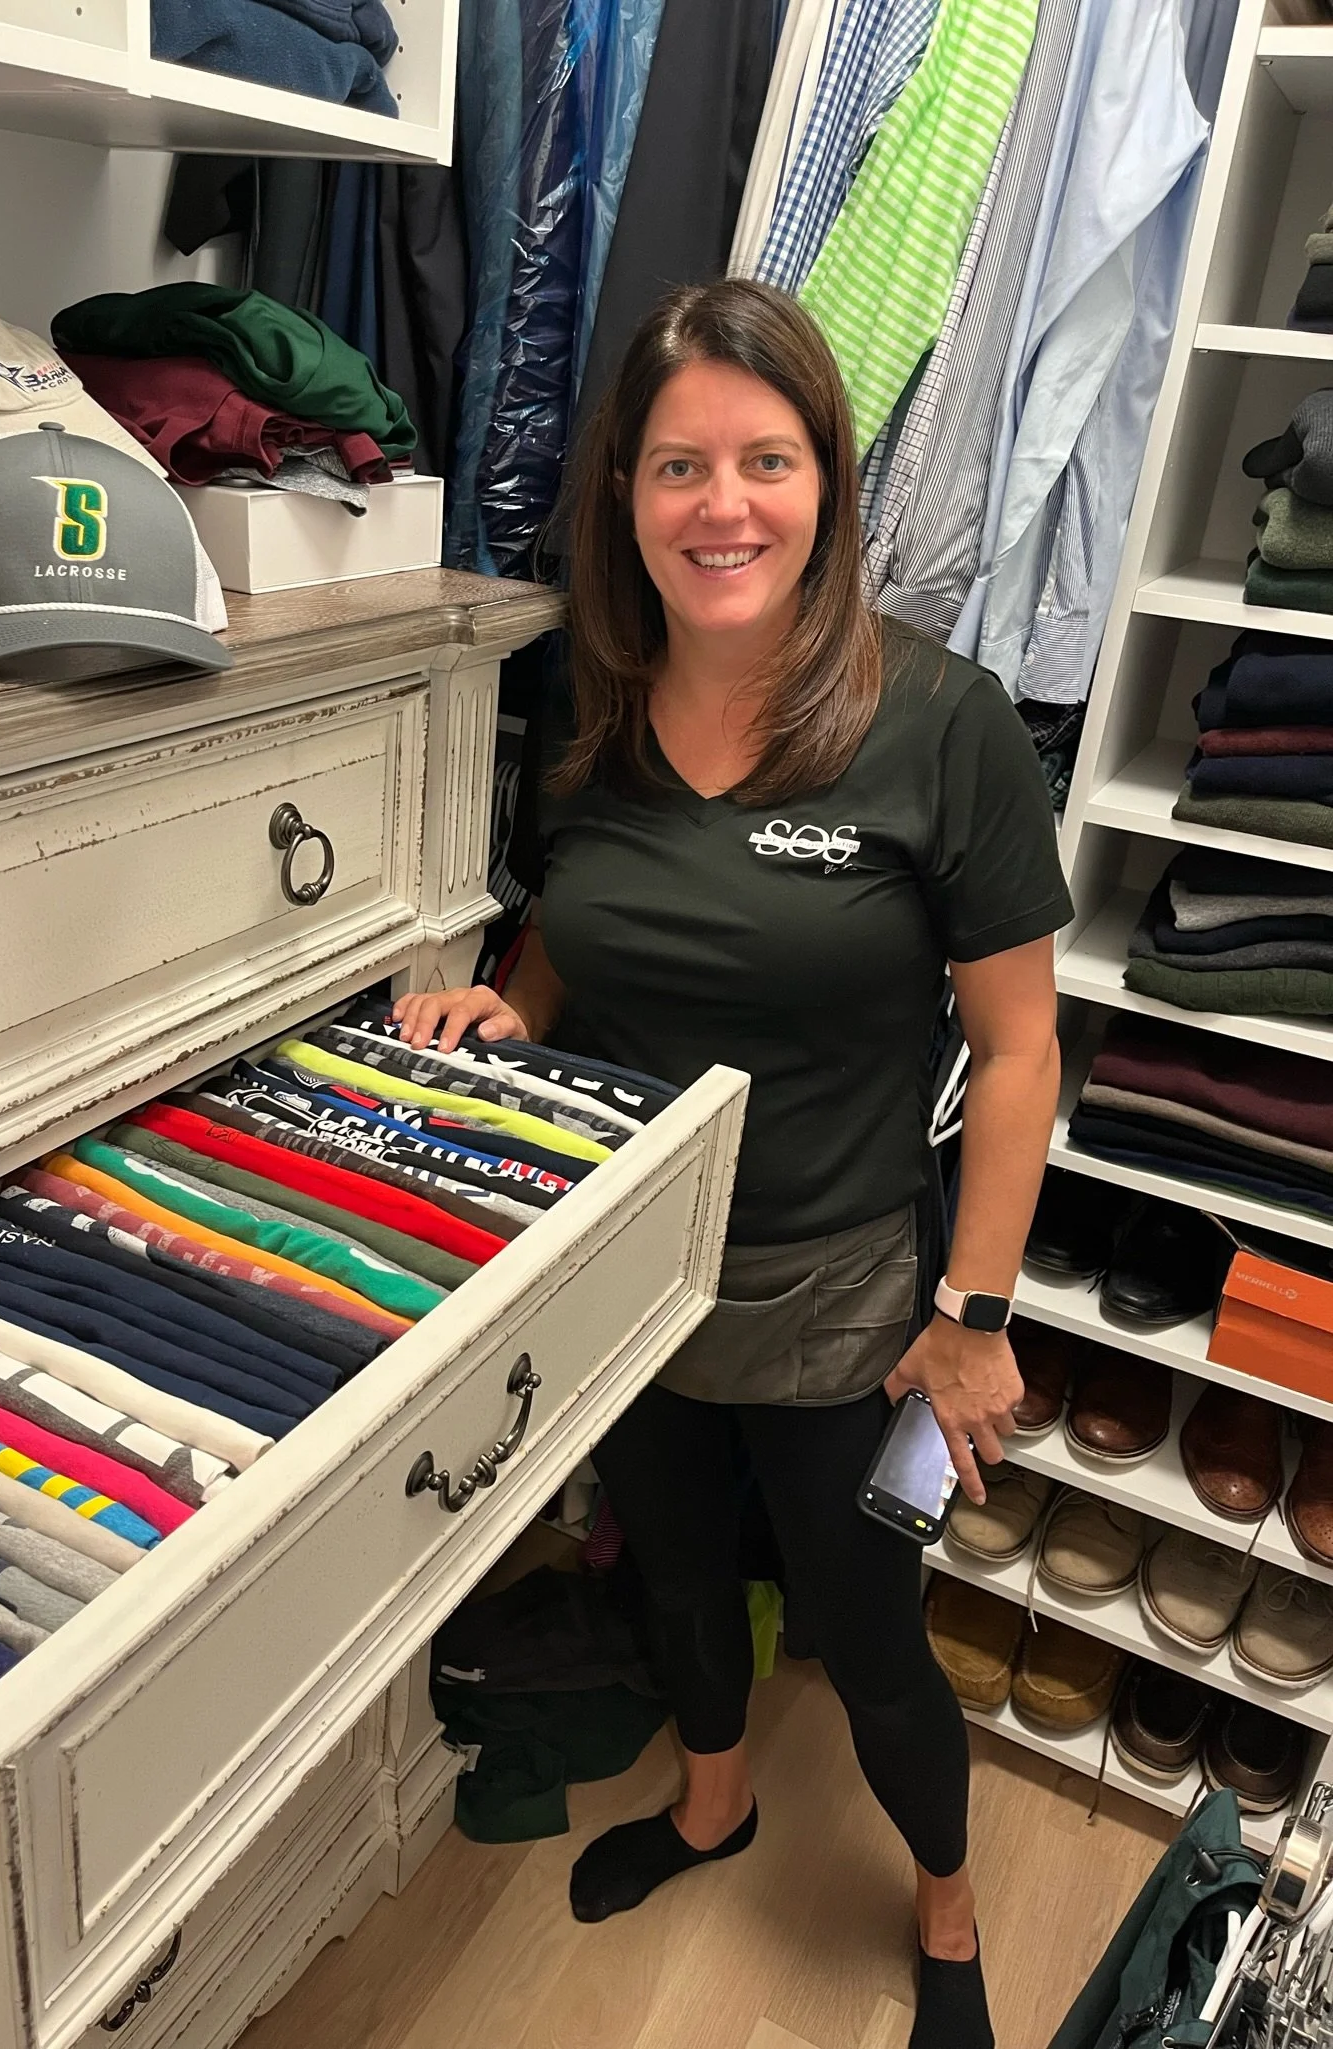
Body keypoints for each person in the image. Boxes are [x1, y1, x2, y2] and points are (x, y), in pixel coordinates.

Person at [393, 278, 1070, 2049]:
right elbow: (582, 928)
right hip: (637, 1260)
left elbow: (1016, 1053)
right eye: (680, 464)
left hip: (844, 1289)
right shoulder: (592, 715)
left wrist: (977, 1317)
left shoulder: (942, 721)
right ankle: (714, 1800)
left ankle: (946, 1905)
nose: (724, 505)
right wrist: (510, 1011)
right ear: (624, 491)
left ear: (828, 482)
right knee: (673, 1569)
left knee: (863, 1629)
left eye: (766, 460)